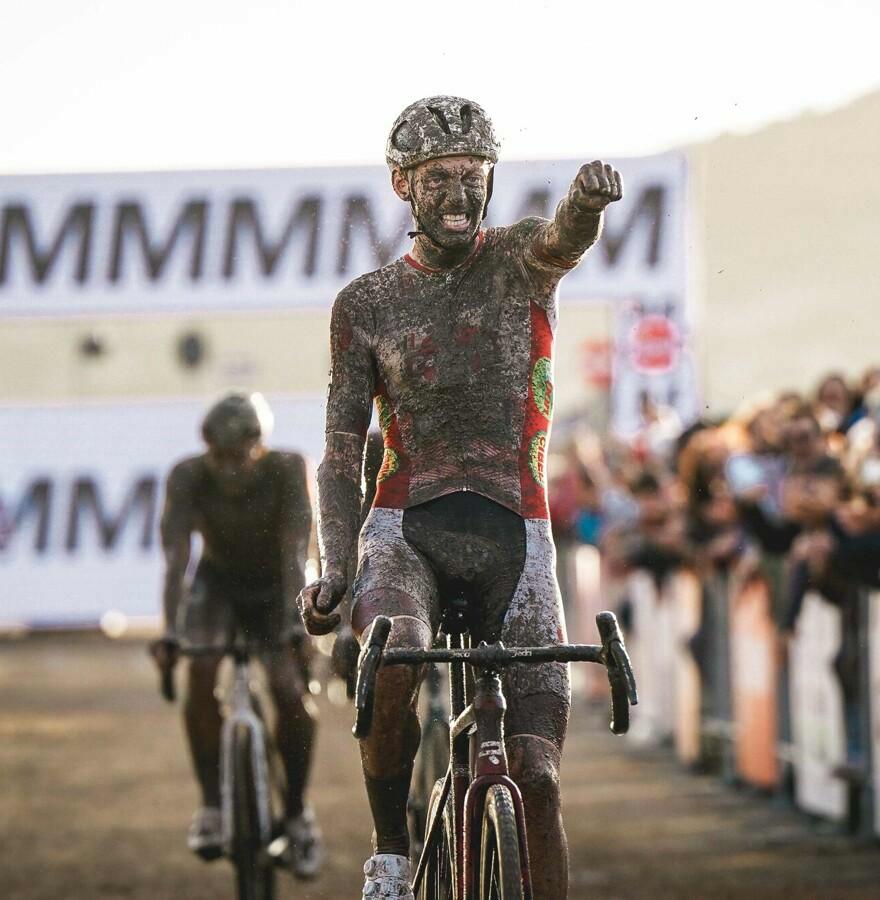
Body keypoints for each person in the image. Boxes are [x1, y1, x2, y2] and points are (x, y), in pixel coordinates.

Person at [298, 96, 622, 900]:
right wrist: (337, 568)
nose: (457, 194)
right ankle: (390, 853)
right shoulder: (367, 305)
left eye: (473, 177)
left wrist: (583, 206)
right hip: (406, 532)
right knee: (397, 656)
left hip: (519, 534)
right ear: (404, 185)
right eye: (438, 178)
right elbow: (341, 455)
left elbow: (562, 240)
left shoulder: (519, 261)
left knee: (539, 781)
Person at [151, 392, 322, 878]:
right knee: (200, 671)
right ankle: (210, 805)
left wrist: (298, 625)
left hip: (277, 589)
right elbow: (176, 559)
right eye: (218, 458)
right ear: (205, 451)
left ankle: (297, 813)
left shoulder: (288, 469)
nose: (227, 469)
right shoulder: (188, 476)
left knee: (289, 690)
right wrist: (169, 630)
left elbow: (296, 551)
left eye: (238, 457)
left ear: (259, 445)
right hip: (217, 584)